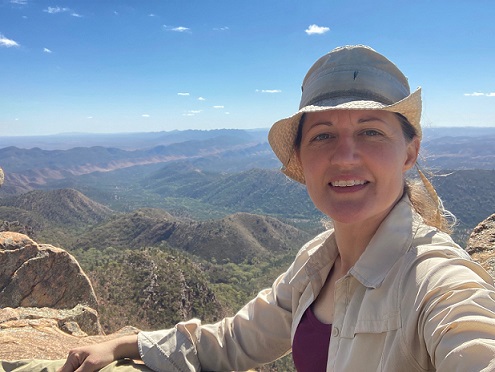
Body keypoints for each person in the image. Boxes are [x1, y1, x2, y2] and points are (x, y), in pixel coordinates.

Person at [56, 45, 495, 371]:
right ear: (301, 158)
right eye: (323, 134)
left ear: (409, 153)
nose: (345, 156)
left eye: (371, 132)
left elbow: (472, 340)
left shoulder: (438, 281)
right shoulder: (316, 263)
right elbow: (233, 341)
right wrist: (128, 343)